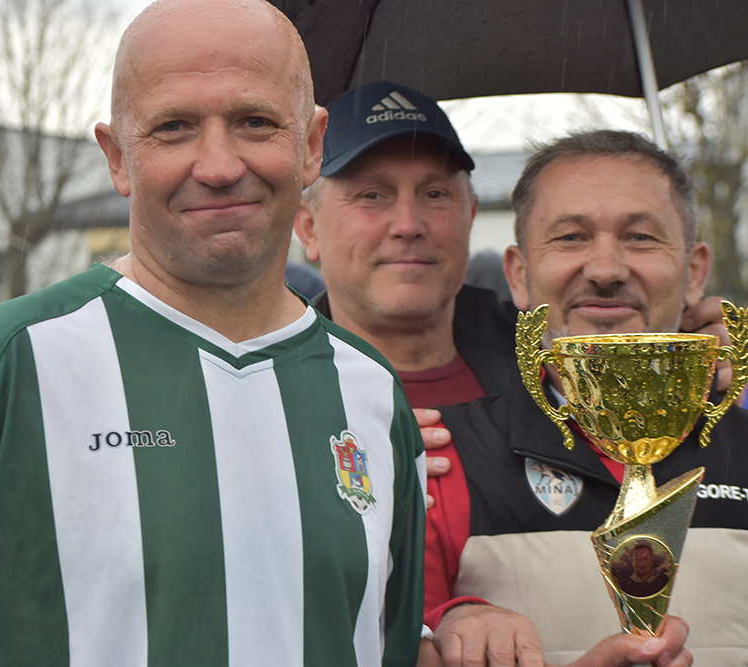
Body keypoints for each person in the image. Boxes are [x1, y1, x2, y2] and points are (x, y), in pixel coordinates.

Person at [0, 2, 434, 665]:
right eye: (173, 127)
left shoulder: (372, 392)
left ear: (310, 146)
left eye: (255, 122)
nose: (219, 165)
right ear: (117, 157)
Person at [295, 85, 694, 666]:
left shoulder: (562, 369)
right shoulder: (266, 400)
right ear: (307, 228)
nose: (408, 224)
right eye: (372, 195)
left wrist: (686, 355)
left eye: (434, 194)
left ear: (471, 215)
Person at [434, 129, 748, 664]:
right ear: (519, 275)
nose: (605, 271)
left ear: (695, 272)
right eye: (571, 237)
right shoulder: (440, 458)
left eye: (641, 237)